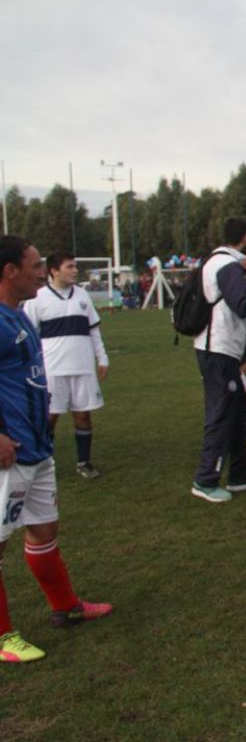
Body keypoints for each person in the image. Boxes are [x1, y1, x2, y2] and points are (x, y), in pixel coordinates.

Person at [0, 236, 112, 664]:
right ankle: (3, 636)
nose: (38, 273)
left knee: (44, 531)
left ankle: (65, 607)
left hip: (36, 447)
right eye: (32, 267)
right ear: (10, 271)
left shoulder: (20, 316)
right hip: (8, 451)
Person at [192, 217, 246, 503]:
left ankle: (240, 474)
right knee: (222, 412)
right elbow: (244, 304)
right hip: (218, 349)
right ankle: (205, 478)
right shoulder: (227, 265)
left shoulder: (217, 261)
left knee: (235, 411)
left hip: (221, 348)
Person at [21, 253, 109, 479]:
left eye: (75, 266)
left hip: (83, 367)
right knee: (50, 417)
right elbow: (27, 334)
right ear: (54, 271)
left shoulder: (82, 295)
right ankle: (43, 461)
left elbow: (93, 330)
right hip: (52, 369)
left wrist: (102, 357)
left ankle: (84, 462)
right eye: (70, 266)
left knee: (83, 416)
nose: (75, 270)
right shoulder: (37, 298)